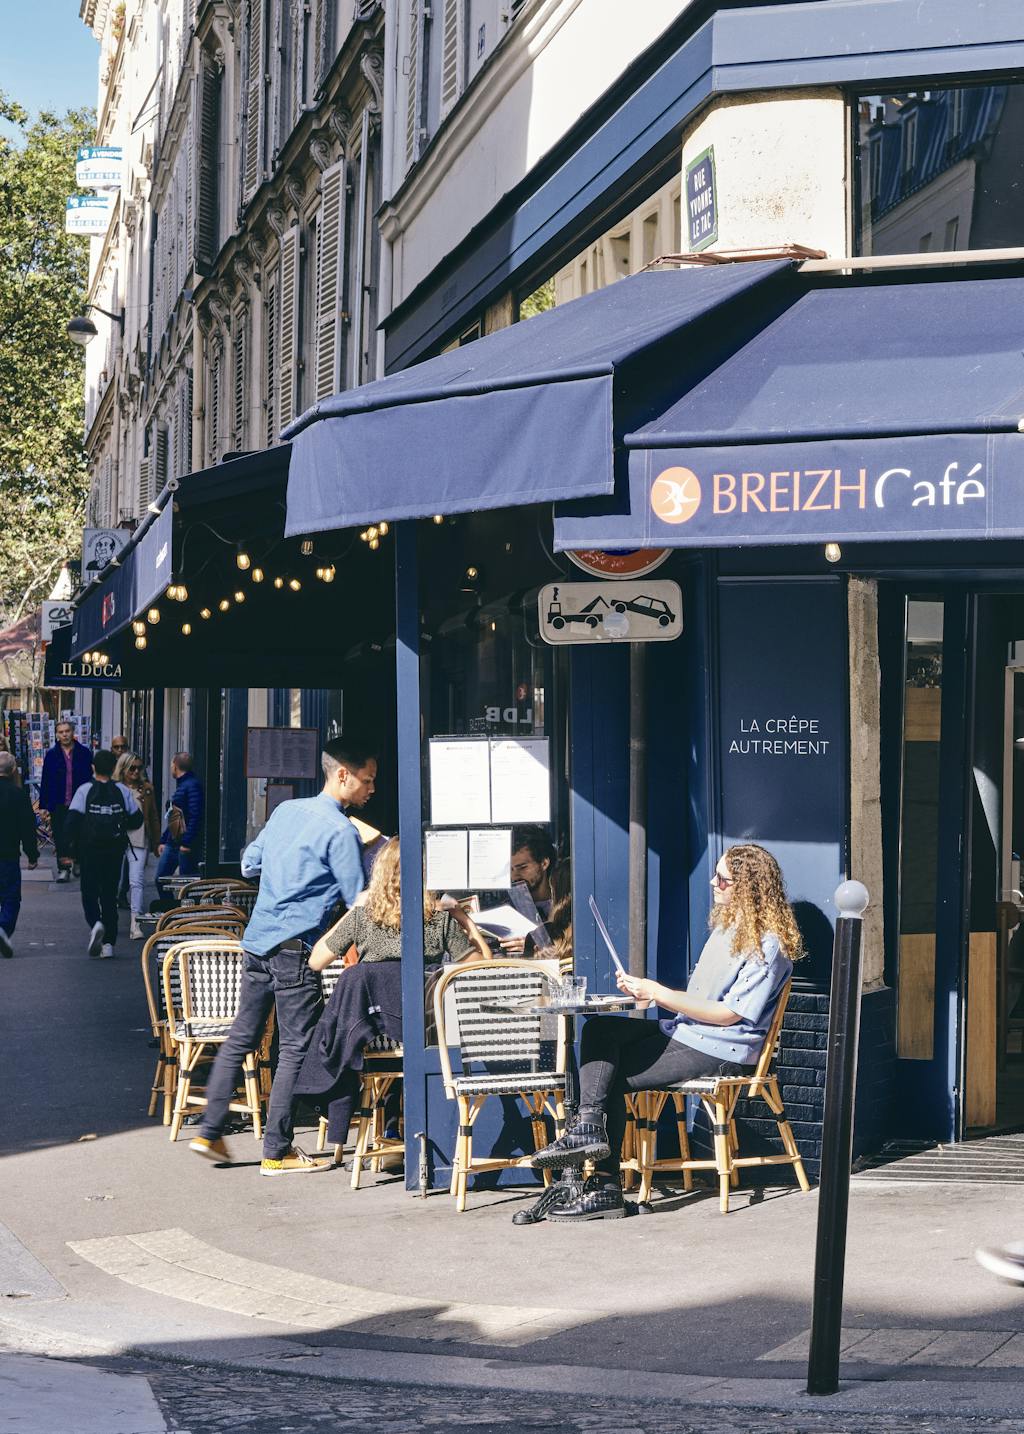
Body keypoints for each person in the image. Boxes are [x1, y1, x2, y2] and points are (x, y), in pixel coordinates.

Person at [530, 843, 803, 1221]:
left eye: (722, 877)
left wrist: (657, 992)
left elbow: (728, 1015)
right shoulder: (728, 930)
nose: (713, 881)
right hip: (689, 1032)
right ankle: (590, 1128)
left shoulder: (767, 945)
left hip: (723, 1047)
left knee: (606, 1075)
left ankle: (604, 1185)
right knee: (600, 1031)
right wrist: (647, 992)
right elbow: (700, 1002)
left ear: (746, 887)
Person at [189, 737, 378, 1176]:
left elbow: (249, 865)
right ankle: (277, 1149)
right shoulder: (339, 831)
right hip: (297, 949)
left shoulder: (286, 811)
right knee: (293, 1048)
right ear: (342, 775)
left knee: (242, 1037)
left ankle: (210, 1129)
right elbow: (358, 900)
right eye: (367, 780)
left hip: (258, 941)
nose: (371, 790)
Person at [309, 837, 490, 971]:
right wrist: (466, 921)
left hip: (374, 1018)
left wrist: (355, 910)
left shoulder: (361, 919)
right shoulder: (439, 922)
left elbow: (316, 961)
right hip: (424, 1018)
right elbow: (483, 968)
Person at [66, 749, 143, 960]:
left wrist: (68, 851)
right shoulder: (122, 791)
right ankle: (108, 943)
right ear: (113, 768)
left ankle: (96, 923)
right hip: (114, 850)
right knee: (109, 895)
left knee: (89, 891)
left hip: (89, 850)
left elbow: (71, 822)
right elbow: (137, 820)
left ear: (93, 767)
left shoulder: (84, 790)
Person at [39, 720, 93, 883]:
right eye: (61, 732)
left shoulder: (84, 753)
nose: (64, 734)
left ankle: (77, 861)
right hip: (59, 802)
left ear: (72, 732)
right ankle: (63, 869)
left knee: (79, 835)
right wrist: (43, 805)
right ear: (57, 734)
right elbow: (45, 780)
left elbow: (91, 777)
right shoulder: (52, 754)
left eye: (67, 731)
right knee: (61, 837)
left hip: (79, 802)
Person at [114, 752, 160, 939]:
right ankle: (108, 920)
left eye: (139, 768)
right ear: (123, 768)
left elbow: (154, 816)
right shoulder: (115, 788)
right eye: (131, 768)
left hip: (140, 839)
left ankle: (136, 923)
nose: (135, 771)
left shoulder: (146, 789)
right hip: (116, 840)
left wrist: (157, 843)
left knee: (137, 881)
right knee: (112, 881)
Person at [0, 751, 39, 958]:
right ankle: (3, 928)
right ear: (13, 770)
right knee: (11, 897)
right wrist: (32, 855)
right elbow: (27, 828)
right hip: (7, 854)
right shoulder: (18, 795)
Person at [501, 826, 557, 955]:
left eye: (522, 867)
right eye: (511, 869)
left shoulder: (564, 903)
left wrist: (532, 944)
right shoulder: (508, 907)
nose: (514, 876)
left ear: (544, 863)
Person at [156, 752, 204, 885]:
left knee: (185, 884)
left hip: (182, 844)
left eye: (172, 764)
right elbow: (174, 817)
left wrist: (186, 843)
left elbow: (195, 815)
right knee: (161, 879)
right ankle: (170, 905)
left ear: (175, 766)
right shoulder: (184, 785)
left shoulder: (191, 785)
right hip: (174, 842)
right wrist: (164, 840)